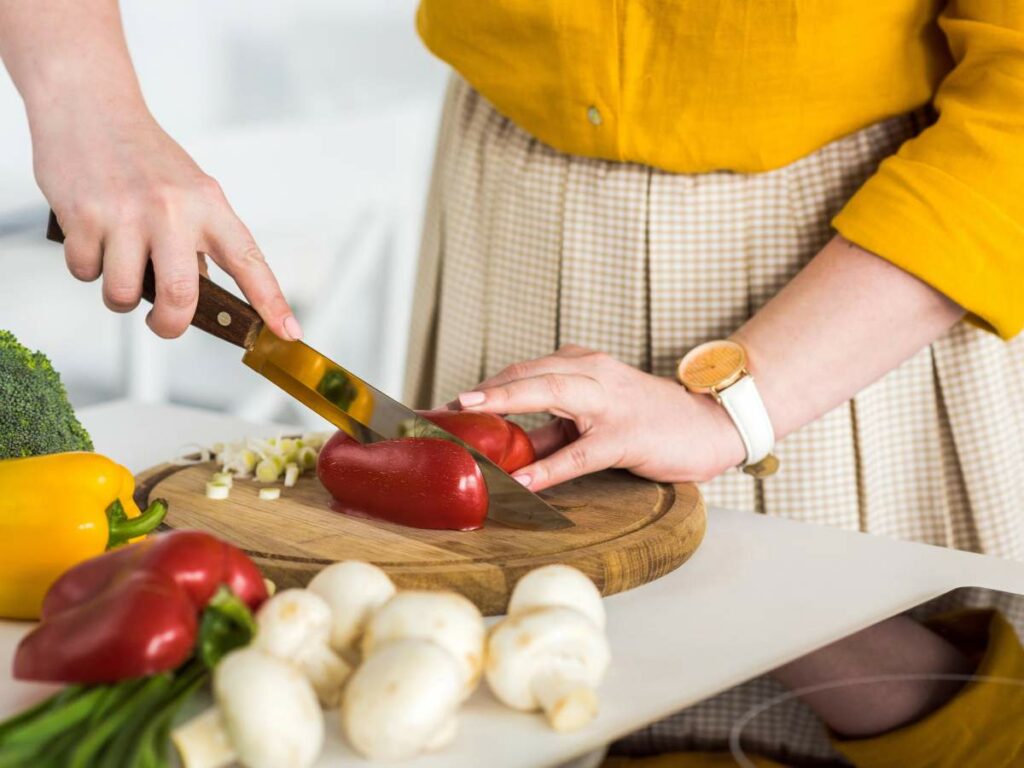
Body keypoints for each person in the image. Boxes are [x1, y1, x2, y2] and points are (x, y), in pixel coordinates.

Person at [2, 0, 1022, 763]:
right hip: (509, 224)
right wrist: (86, 98)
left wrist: (738, 403)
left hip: (852, 290)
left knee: (903, 704)